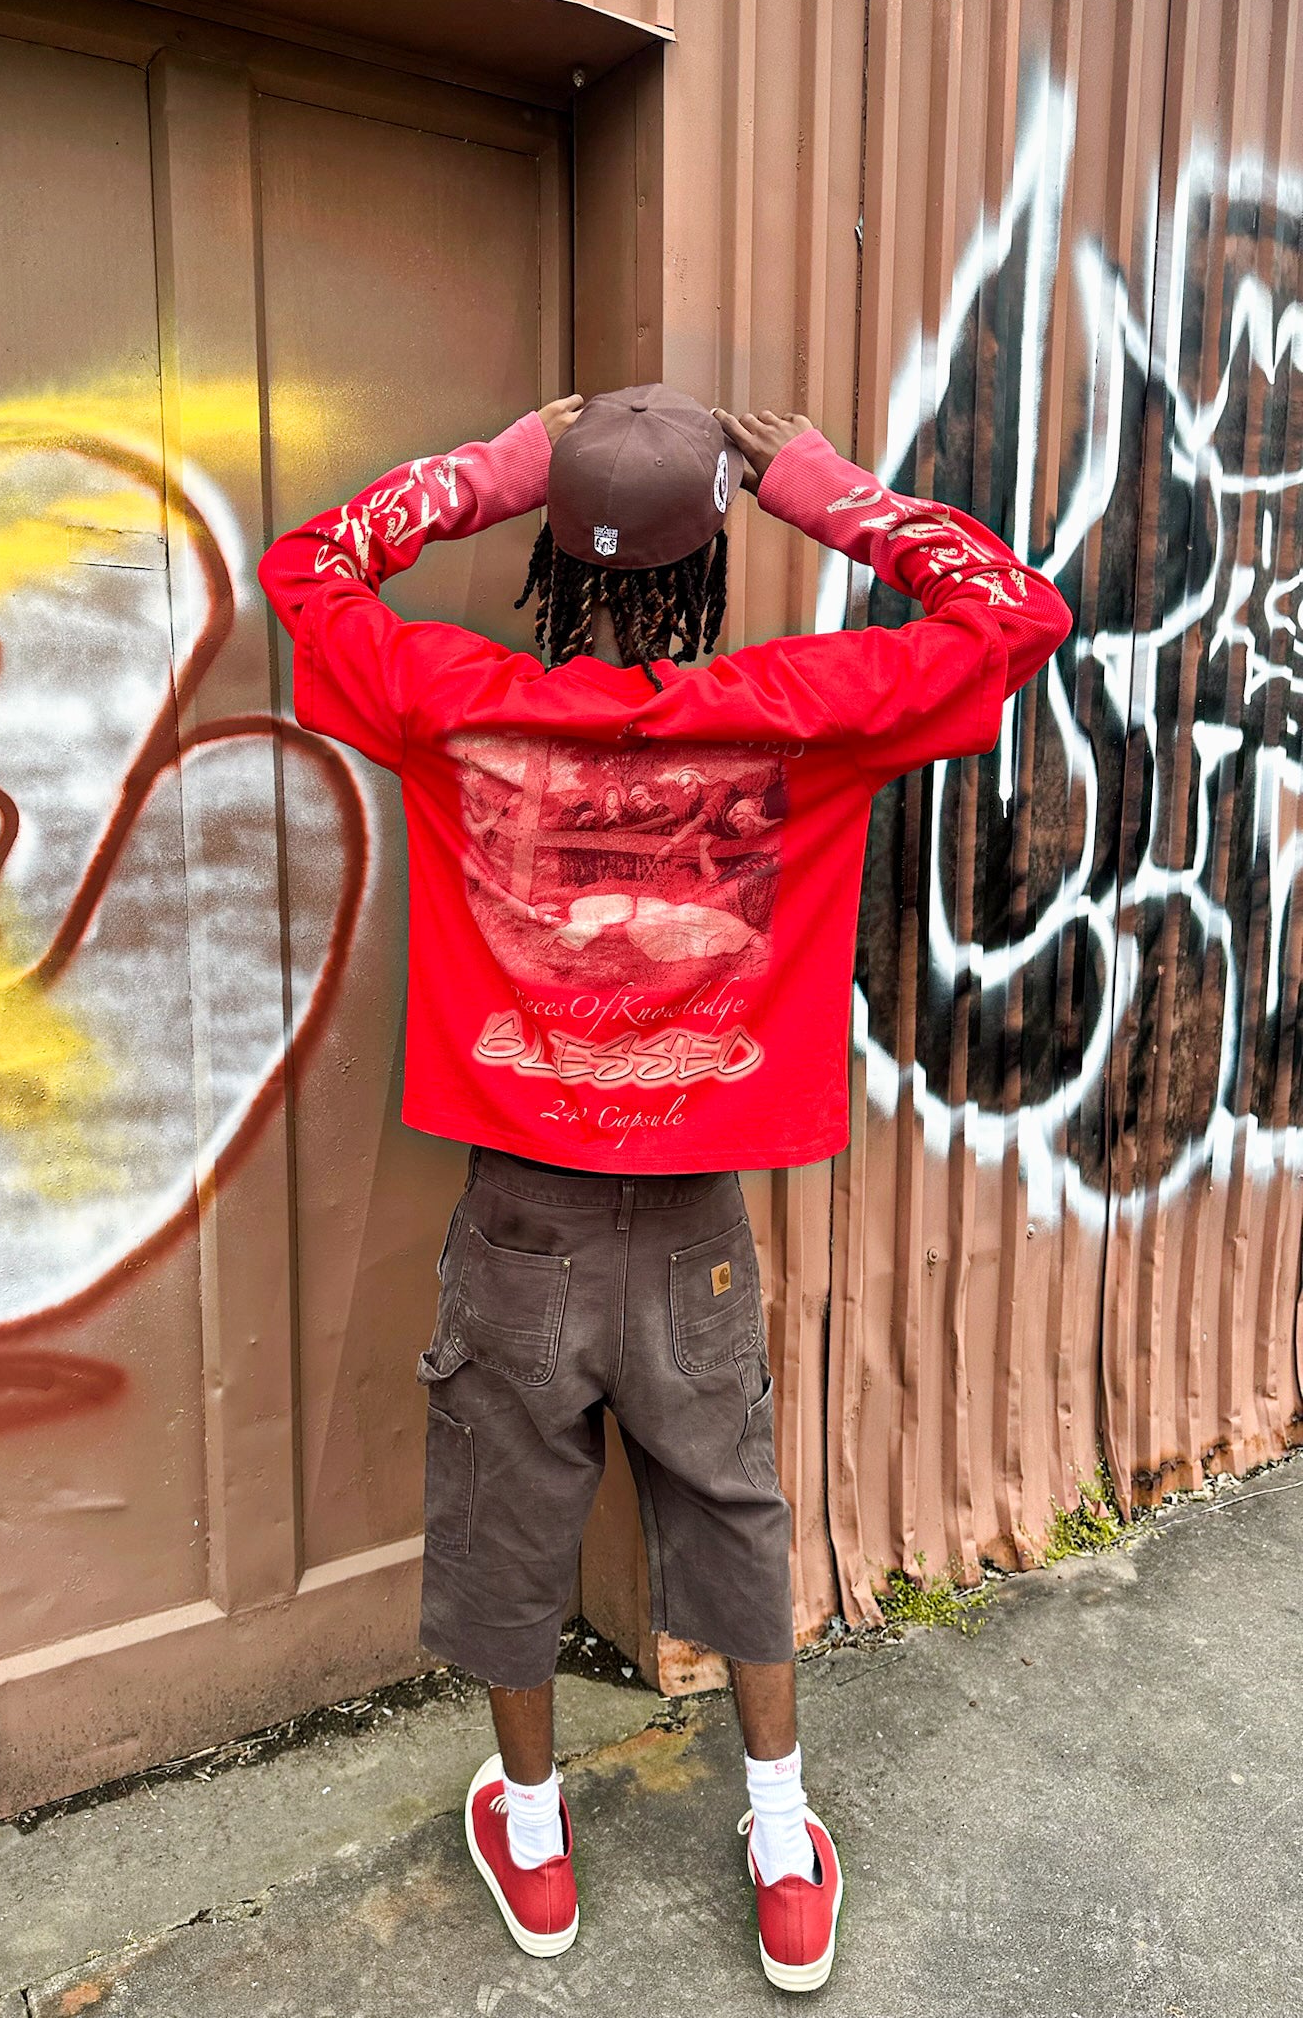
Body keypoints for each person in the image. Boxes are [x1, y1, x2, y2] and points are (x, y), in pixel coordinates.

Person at [258, 386, 1071, 1992]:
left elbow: (306, 569)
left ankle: (535, 1843)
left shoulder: (452, 701)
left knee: (508, 1516)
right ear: (707, 569)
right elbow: (1012, 612)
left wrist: (497, 468)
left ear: (556, 563)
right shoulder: (800, 712)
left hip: (521, 1220)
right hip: (694, 1219)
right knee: (732, 1506)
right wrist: (818, 487)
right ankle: (781, 1844)